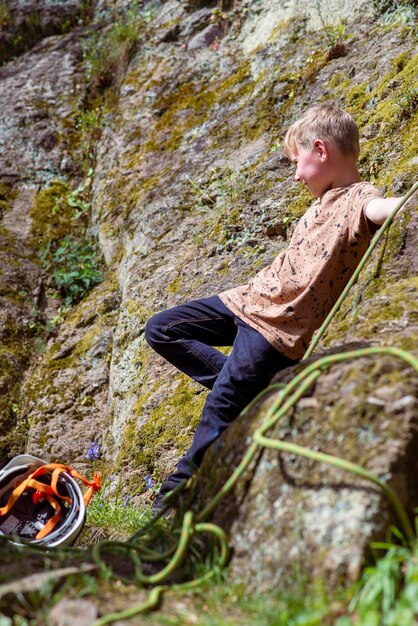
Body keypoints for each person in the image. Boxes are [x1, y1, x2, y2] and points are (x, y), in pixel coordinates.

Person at [144, 104, 402, 514]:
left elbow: (381, 210)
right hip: (246, 301)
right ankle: (254, 395)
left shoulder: (358, 199)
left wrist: (401, 204)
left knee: (219, 408)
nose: (297, 175)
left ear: (320, 150)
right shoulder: (320, 204)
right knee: (161, 329)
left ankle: (168, 505)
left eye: (298, 163)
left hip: (275, 329)